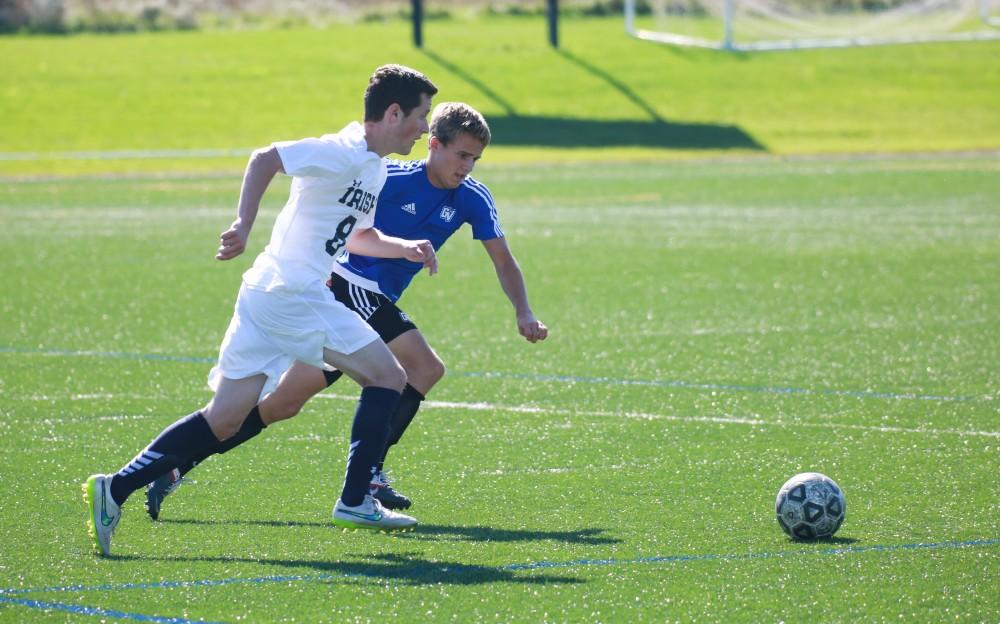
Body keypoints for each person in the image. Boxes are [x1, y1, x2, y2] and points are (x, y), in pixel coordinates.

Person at [82, 64, 440, 556]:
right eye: (421, 117)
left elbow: (358, 235)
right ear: (394, 112)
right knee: (388, 377)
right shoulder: (342, 150)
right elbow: (265, 157)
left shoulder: (374, 168)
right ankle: (356, 500)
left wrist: (404, 248)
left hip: (267, 293)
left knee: (226, 418)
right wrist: (243, 223)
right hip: (294, 291)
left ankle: (115, 488)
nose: (424, 129)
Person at [142, 102, 548, 519]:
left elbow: (504, 260)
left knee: (283, 404)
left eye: (475, 159)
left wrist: (523, 312)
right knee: (423, 368)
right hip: (344, 286)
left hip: (367, 303)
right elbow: (348, 228)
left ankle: (175, 465)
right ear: (433, 144)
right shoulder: (386, 176)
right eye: (462, 155)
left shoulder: (473, 198)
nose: (468, 167)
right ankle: (367, 480)